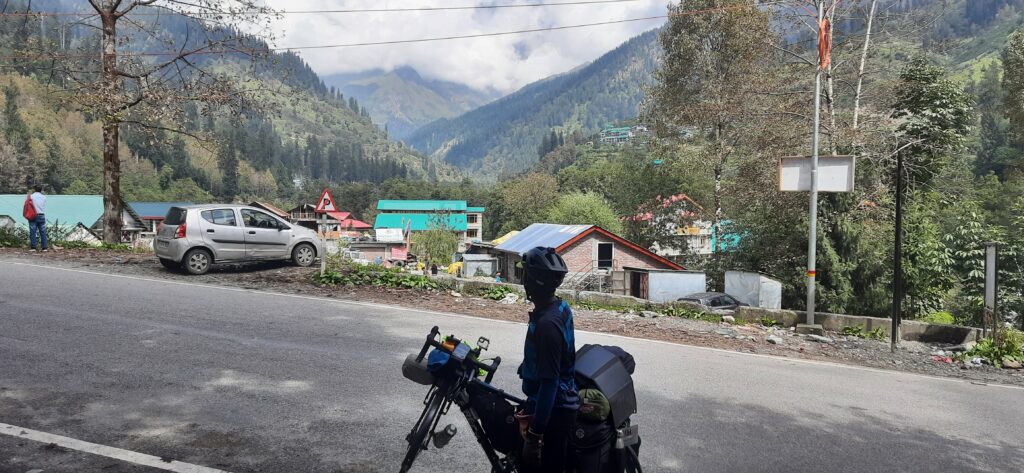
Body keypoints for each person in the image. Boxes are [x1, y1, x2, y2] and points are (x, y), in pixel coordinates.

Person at [517, 247, 578, 472]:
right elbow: (561, 353)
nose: (523, 280)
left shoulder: (547, 325)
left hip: (556, 411)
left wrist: (534, 436)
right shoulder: (559, 307)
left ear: (533, 282)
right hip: (560, 402)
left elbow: (550, 384)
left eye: (525, 275)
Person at [27, 185, 48, 252]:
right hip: (42, 215)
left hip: (33, 215)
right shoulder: (44, 197)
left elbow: (27, 205)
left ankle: (33, 247)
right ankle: (44, 248)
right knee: (43, 231)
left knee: (33, 231)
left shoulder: (31, 196)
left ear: (34, 189)